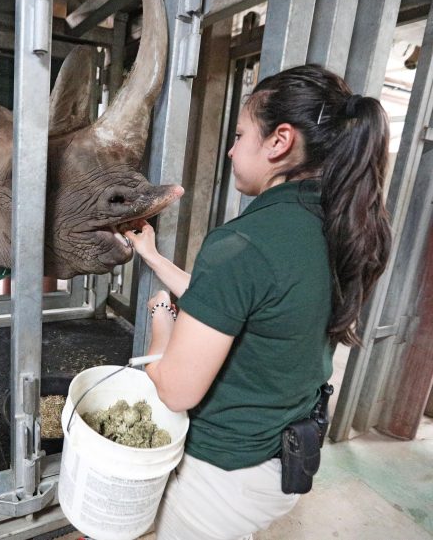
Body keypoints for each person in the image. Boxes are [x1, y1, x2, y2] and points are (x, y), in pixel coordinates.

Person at [124, 64, 392, 540]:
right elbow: (240, 305)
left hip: (220, 479)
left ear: (279, 141)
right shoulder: (336, 228)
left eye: (240, 135)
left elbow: (175, 390)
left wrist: (161, 315)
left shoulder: (243, 243)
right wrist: (153, 257)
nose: (231, 150)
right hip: (284, 459)